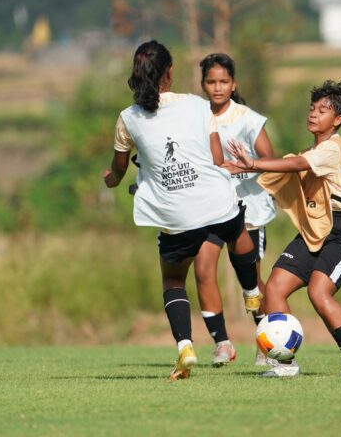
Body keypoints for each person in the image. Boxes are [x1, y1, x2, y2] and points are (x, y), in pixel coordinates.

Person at [103, 40, 262, 381]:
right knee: (237, 230)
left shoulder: (128, 118)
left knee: (175, 280)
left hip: (174, 214)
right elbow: (217, 158)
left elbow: (117, 171)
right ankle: (251, 291)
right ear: (169, 72)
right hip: (215, 202)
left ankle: (185, 347)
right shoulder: (197, 105)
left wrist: (112, 178)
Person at [227, 80, 341, 377]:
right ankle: (285, 363)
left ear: (338, 119)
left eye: (323, 110)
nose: (314, 113)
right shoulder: (312, 149)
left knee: (319, 292)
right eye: (312, 108)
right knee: (276, 288)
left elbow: (296, 165)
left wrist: (253, 164)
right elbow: (292, 169)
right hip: (316, 232)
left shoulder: (334, 148)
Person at [191, 53, 277, 367]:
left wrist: (238, 169)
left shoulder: (248, 119)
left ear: (233, 84)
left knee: (250, 282)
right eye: (211, 82)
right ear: (202, 84)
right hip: (211, 210)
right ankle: (222, 344)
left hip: (249, 212)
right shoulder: (196, 116)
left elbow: (271, 163)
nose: (217, 87)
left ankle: (268, 342)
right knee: (202, 269)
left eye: (223, 81)